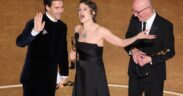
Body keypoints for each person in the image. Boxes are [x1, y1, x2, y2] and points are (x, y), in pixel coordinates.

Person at [69, 0, 155, 96]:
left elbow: (121, 43)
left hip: (95, 74)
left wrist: (137, 37)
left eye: (84, 9)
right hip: (81, 73)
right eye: (79, 9)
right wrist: (73, 58)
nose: (81, 12)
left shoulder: (100, 31)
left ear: (92, 12)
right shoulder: (77, 29)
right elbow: (77, 52)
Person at [16, 0, 69, 96]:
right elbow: (20, 42)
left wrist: (64, 73)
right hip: (33, 79)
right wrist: (34, 32)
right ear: (47, 7)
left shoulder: (62, 27)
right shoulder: (35, 22)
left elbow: (62, 51)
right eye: (57, 8)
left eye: (62, 7)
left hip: (50, 80)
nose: (60, 11)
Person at [124, 0, 175, 96]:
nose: (134, 15)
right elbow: (128, 38)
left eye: (137, 12)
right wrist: (133, 50)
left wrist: (150, 59)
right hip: (135, 73)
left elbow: (169, 51)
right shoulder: (134, 20)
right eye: (133, 11)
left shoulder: (165, 26)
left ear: (148, 9)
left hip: (155, 76)